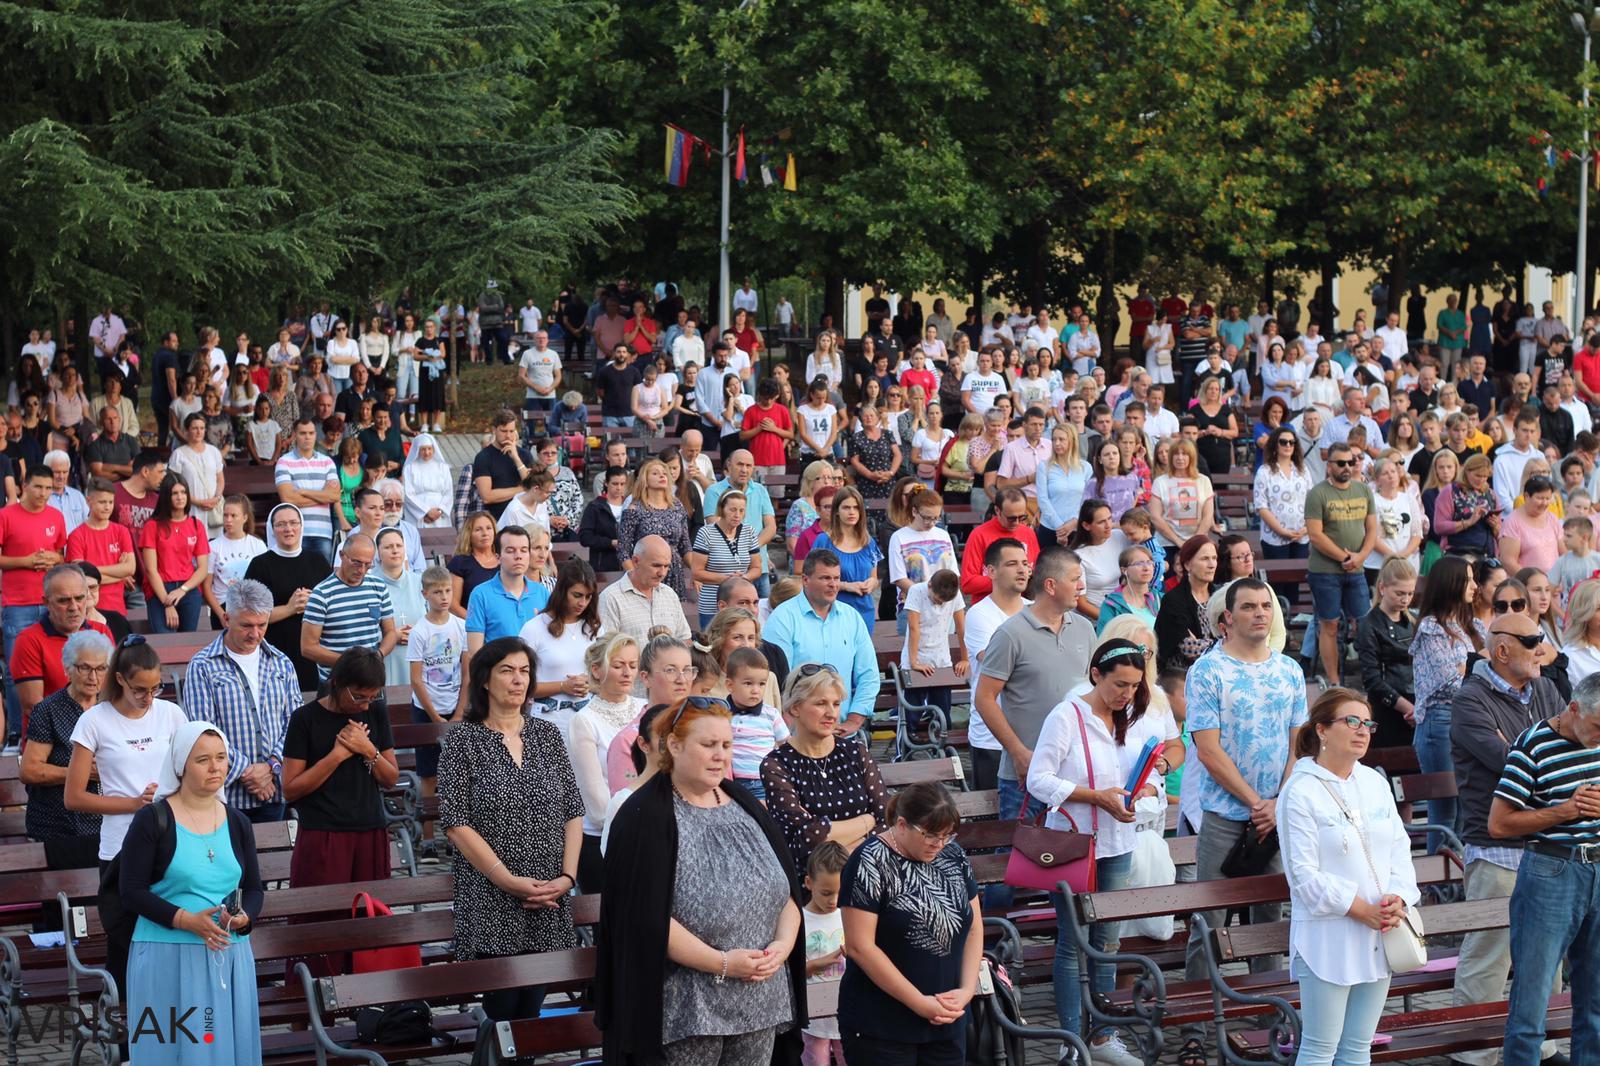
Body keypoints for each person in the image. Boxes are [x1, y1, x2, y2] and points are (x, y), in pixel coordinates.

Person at [597, 696, 807, 1066]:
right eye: (708, 745)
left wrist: (782, 946)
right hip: (684, 1008)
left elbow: (785, 892)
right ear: (674, 746)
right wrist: (723, 963)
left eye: (726, 745)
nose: (720, 756)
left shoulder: (745, 803)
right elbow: (644, 918)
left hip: (760, 997)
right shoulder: (644, 816)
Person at [1177, 578, 1307, 1065]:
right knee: (1207, 923)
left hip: (1276, 816)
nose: (1260, 613)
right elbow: (1207, 750)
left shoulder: (1290, 671)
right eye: (1248, 606)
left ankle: (1266, 1016)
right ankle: (1191, 1022)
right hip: (1226, 817)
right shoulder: (1208, 672)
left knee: (1269, 920)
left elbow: (1300, 743)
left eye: (1265, 606)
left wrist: (1279, 801)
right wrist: (1257, 800)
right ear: (1225, 617)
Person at [437, 635, 583, 1021]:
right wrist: (508, 880)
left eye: (524, 672)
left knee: (530, 1015)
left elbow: (573, 810)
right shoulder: (462, 741)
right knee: (503, 1017)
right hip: (492, 896)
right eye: (507, 671)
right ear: (485, 680)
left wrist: (567, 877)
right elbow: (456, 823)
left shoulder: (547, 735)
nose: (518, 680)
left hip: (547, 894)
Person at [1449, 612, 1570, 1066]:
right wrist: (1539, 752)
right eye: (1532, 639)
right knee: (1490, 955)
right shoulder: (1469, 700)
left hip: (1546, 842)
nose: (1543, 646)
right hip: (1496, 845)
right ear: (1502, 650)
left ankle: (1543, 1045)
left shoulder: (1543, 688)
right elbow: (1511, 762)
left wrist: (1529, 749)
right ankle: (1473, 1054)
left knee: (1547, 955)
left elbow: (1567, 748)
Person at [1279, 689, 1421, 1066]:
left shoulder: (1374, 782)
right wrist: (1361, 909)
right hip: (1329, 934)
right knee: (1320, 1048)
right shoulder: (1300, 790)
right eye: (1351, 721)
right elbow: (1303, 876)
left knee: (1359, 1047)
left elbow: (1399, 848)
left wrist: (1399, 899)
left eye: (1368, 723)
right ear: (1322, 730)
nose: (1363, 731)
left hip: (1380, 929)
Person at [120, 721, 264, 1066]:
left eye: (221, 757)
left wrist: (244, 919)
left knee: (230, 1051)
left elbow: (254, 888)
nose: (215, 767)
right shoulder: (152, 819)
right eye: (203, 760)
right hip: (166, 957)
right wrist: (185, 920)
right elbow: (131, 891)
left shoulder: (237, 822)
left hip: (229, 957)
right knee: (169, 1052)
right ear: (181, 765)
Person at [64, 635, 187, 994]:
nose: (150, 697)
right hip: (120, 847)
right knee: (125, 945)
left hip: (170, 841)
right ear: (119, 679)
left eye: (156, 687)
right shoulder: (94, 721)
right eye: (140, 689)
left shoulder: (171, 714)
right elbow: (74, 797)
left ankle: (170, 1030)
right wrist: (133, 804)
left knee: (170, 942)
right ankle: (122, 1033)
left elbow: (187, 770)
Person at [1490, 672, 1600, 1061]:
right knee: (1530, 1005)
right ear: (1574, 709)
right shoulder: (1533, 745)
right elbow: (1499, 823)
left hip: (1596, 868)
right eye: (1598, 726)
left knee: (1597, 1003)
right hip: (1551, 870)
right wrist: (1564, 811)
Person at [973, 547, 1095, 897]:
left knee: (1069, 863)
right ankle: (992, 945)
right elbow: (984, 698)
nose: (1082, 586)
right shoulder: (1011, 633)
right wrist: (1019, 752)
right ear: (1052, 585)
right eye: (1075, 579)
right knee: (1011, 862)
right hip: (1023, 773)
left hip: (1073, 774)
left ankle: (1062, 940)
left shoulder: (1085, 629)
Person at [836, 781, 982, 1066]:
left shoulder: (953, 855)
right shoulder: (868, 861)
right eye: (930, 835)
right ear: (902, 824)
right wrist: (918, 1002)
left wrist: (966, 990)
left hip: (945, 1019)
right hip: (882, 1023)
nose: (938, 845)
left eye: (947, 836)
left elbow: (974, 926)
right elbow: (860, 947)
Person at [281, 648, 398, 976]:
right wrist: (336, 755)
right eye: (359, 696)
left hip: (370, 831)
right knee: (318, 927)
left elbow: (390, 778)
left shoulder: (375, 712)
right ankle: (309, 1011)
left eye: (372, 697)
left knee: (369, 927)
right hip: (322, 835)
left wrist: (368, 750)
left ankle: (371, 1010)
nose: (364, 705)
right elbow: (290, 789)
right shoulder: (305, 719)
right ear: (336, 682)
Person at [182, 581, 300, 823]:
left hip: (273, 790)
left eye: (262, 625)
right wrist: (248, 772)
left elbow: (295, 722)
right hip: (225, 795)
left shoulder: (281, 662)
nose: (255, 634)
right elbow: (203, 729)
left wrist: (271, 767)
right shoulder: (202, 665)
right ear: (226, 619)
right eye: (246, 625)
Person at [763, 663, 889, 870]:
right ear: (795, 707)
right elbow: (807, 837)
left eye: (836, 704)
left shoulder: (856, 753)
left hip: (868, 870)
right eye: (821, 703)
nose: (832, 713)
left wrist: (846, 856)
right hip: (812, 883)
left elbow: (887, 820)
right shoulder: (776, 765)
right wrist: (867, 821)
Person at [1411, 555, 1484, 854]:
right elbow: (1448, 682)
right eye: (1468, 579)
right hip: (1439, 722)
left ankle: (1460, 878)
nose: (1475, 586)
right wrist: (1476, 669)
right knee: (1445, 810)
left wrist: (1470, 669)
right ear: (1451, 584)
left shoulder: (1472, 625)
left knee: (1467, 806)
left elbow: (1480, 673)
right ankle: (1436, 886)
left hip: (1470, 719)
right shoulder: (1431, 628)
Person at [20, 628, 111, 869]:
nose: (93, 676)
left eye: (101, 668)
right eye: (85, 668)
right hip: (58, 826)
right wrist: (79, 773)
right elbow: (29, 771)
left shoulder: (113, 708)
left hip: (108, 824)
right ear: (67, 668)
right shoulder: (47, 711)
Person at [764, 550, 881, 733]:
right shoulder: (782, 618)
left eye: (836, 578)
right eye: (825, 578)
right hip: (797, 736)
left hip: (842, 734)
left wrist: (854, 720)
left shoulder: (852, 618)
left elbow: (869, 675)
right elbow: (776, 680)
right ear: (805, 579)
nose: (833, 585)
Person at [568, 633, 645, 890]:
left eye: (633, 666)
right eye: (618, 665)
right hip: (604, 837)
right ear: (596, 670)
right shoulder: (584, 721)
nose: (627, 673)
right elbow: (596, 801)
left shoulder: (646, 709)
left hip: (650, 831)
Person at [0, 466, 67, 741]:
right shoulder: (6, 516)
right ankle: (17, 733)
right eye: (38, 487)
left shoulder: (56, 516)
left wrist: (53, 560)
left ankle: (54, 732)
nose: (43, 493)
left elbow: (63, 555)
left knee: (57, 670)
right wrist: (26, 562)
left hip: (52, 603)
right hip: (17, 604)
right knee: (18, 673)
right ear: (23, 486)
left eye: (48, 488)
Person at [1304, 442, 1377, 682]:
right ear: (1329, 465)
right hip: (1325, 572)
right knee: (1330, 626)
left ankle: (1371, 678)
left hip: (1357, 569)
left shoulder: (1364, 491)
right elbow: (1315, 535)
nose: (1347, 467)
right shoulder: (1318, 493)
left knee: (1365, 625)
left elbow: (1372, 529)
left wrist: (1361, 556)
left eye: (1352, 462)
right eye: (1341, 463)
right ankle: (1334, 682)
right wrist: (1345, 557)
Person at [242, 504, 329, 693]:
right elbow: (247, 615)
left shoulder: (317, 560)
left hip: (313, 651)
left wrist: (314, 603)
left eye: (293, 523)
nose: (288, 529)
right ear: (272, 529)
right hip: (275, 650)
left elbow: (333, 604)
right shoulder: (260, 565)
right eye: (281, 524)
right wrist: (290, 608)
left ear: (301, 525)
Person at [464, 524, 549, 667]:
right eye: (510, 551)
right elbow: (475, 653)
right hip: (498, 677)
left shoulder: (541, 592)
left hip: (537, 677)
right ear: (498, 557)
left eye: (524, 550)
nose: (518, 556)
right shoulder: (481, 594)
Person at [1356, 558, 1418, 747]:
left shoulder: (1415, 621)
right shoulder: (1369, 624)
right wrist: (1408, 708)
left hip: (1417, 704)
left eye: (1410, 593)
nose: (1405, 599)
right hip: (1387, 707)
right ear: (1382, 588)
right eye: (1399, 593)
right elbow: (1372, 680)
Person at [801, 841, 849, 1066]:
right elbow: (790, 969)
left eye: (841, 892)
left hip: (847, 1011)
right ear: (809, 883)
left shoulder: (849, 916)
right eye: (827, 893)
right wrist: (819, 963)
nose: (834, 901)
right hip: (814, 1016)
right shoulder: (799, 920)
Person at [598, 535, 693, 644]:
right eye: (656, 565)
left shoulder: (669, 594)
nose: (662, 573)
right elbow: (605, 650)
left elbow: (685, 640)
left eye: (666, 566)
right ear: (636, 561)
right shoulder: (611, 598)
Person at [273, 418, 340, 565]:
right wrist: (323, 495)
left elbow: (335, 495)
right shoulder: (284, 462)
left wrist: (303, 492)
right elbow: (288, 500)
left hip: (323, 531)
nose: (307, 437)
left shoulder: (327, 462)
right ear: (295, 435)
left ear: (316, 435)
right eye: (303, 433)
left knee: (322, 578)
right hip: (295, 531)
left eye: (311, 433)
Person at [958, 487, 1040, 599]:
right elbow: (968, 584)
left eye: (1022, 517)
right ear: (997, 511)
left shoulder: (1028, 533)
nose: (1017, 523)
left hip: (1022, 606)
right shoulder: (979, 535)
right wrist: (1007, 580)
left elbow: (1036, 570)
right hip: (989, 607)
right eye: (1011, 518)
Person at [1154, 536, 1219, 673]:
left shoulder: (1221, 596)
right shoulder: (1174, 600)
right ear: (1187, 564)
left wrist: (1206, 644)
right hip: (1182, 675)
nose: (1212, 564)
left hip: (1219, 670)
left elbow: (1238, 638)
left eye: (1214, 558)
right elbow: (1189, 648)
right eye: (1205, 559)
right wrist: (1223, 645)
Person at [1500, 474, 1563, 572]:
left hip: (1555, 584)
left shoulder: (1552, 519)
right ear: (1526, 496)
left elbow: (1564, 552)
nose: (1544, 503)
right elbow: (1508, 561)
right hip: (1527, 583)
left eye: (1547, 498)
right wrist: (1532, 581)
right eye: (1540, 498)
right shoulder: (1512, 522)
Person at [400, 433, 453, 529]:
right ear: (417, 450)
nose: (427, 452)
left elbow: (448, 492)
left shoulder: (443, 467)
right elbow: (408, 494)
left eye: (429, 448)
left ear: (434, 449)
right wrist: (426, 512)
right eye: (423, 449)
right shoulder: (410, 468)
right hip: (418, 514)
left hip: (439, 514)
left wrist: (440, 511)